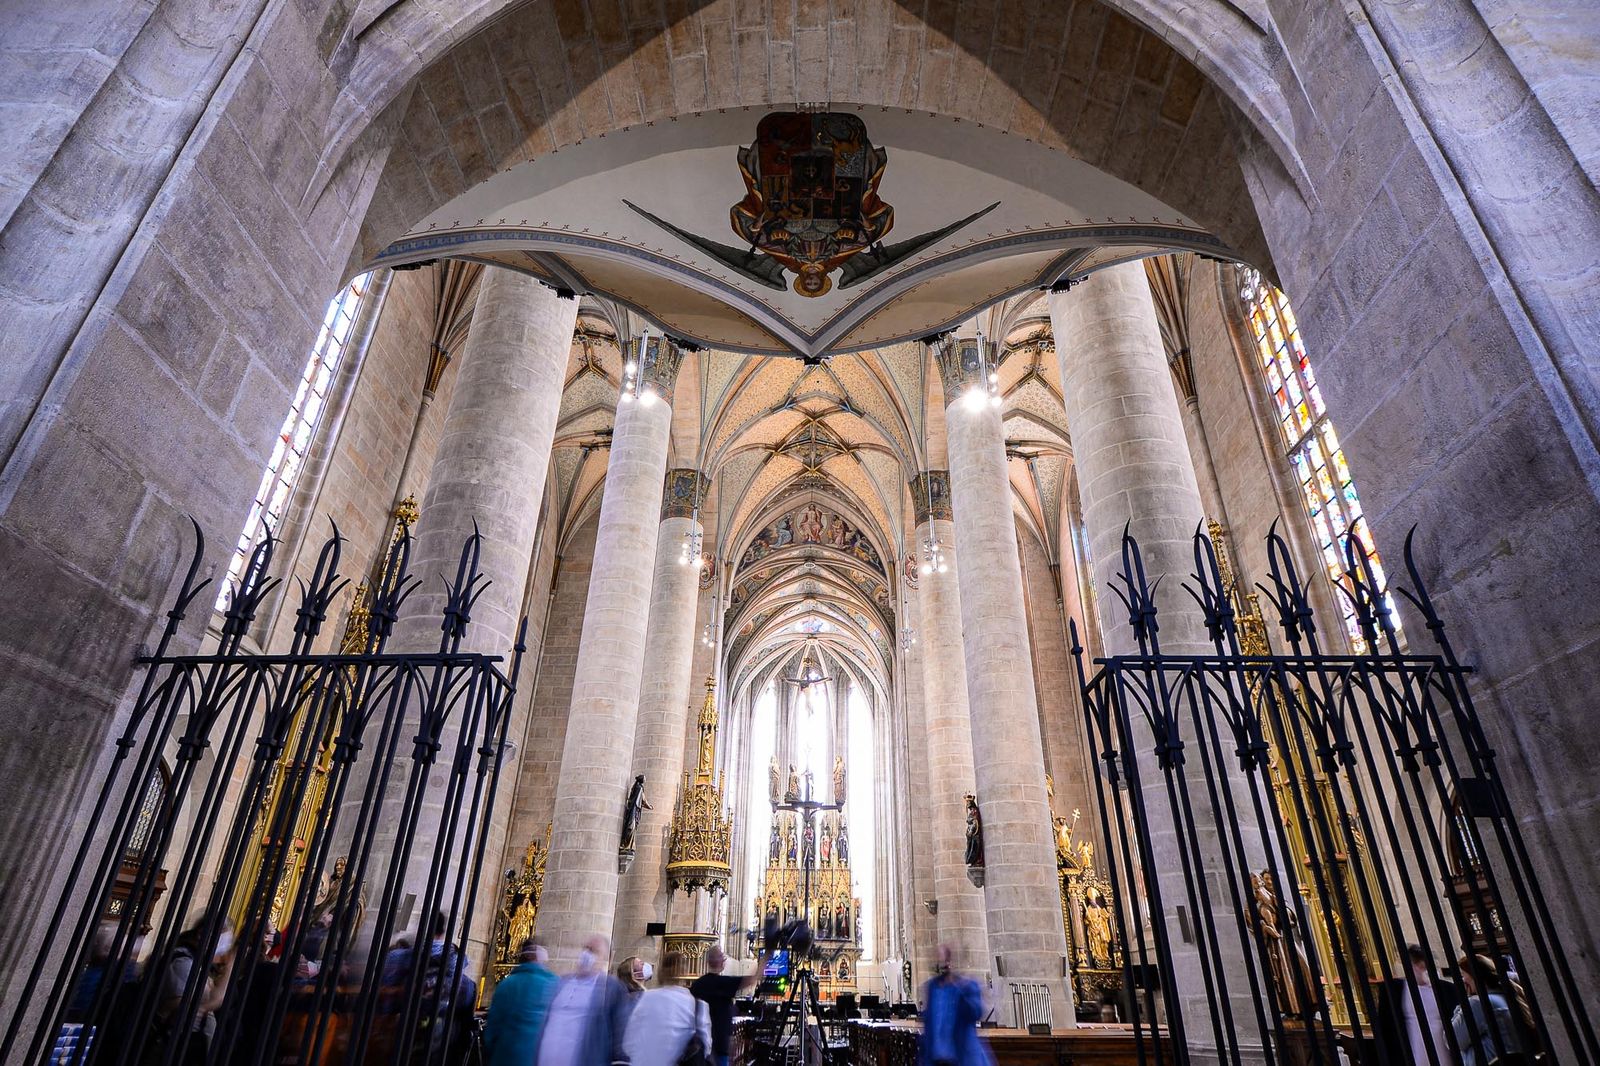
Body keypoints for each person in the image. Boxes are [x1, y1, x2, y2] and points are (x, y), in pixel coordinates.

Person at [149, 917, 238, 1065]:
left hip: (192, 1045)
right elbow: (210, 1001)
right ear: (202, 934)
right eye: (223, 940)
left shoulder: (199, 963)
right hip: (176, 1044)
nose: (225, 947)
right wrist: (230, 966)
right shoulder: (183, 962)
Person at [537, 935, 631, 1066]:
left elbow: (620, 1038)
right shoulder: (562, 982)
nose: (587, 954)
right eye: (586, 948)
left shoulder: (611, 989)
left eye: (594, 951)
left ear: (606, 958)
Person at [1375, 944, 1462, 1065]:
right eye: (1419, 967)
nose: (1423, 971)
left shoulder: (1448, 989)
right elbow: (1385, 1025)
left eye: (1425, 967)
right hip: (1412, 1048)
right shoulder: (1393, 990)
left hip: (1442, 1047)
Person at [484, 938, 560, 1066]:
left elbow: (493, 1027)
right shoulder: (554, 984)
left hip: (506, 1056)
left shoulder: (507, 984)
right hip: (541, 1057)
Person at [625, 957, 713, 1066]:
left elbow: (629, 1042)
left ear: (661, 972)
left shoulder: (645, 998)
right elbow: (706, 1047)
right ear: (684, 973)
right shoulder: (697, 1006)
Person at [1452, 954, 1533, 1066]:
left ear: (1474, 975)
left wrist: (1463, 1002)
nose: (1462, 980)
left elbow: (1453, 1040)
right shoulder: (1508, 996)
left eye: (1463, 975)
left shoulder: (1478, 1003)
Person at [919, 946, 992, 1066]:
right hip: (937, 1059)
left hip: (962, 1058)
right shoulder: (932, 987)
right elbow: (930, 1025)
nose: (940, 963)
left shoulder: (967, 986)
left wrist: (961, 988)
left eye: (943, 959)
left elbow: (976, 1013)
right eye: (937, 959)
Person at [690, 946, 757, 1066]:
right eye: (722, 956)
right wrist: (766, 957)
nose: (724, 960)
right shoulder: (723, 983)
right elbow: (751, 980)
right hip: (718, 1046)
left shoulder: (697, 985)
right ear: (717, 960)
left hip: (699, 1046)